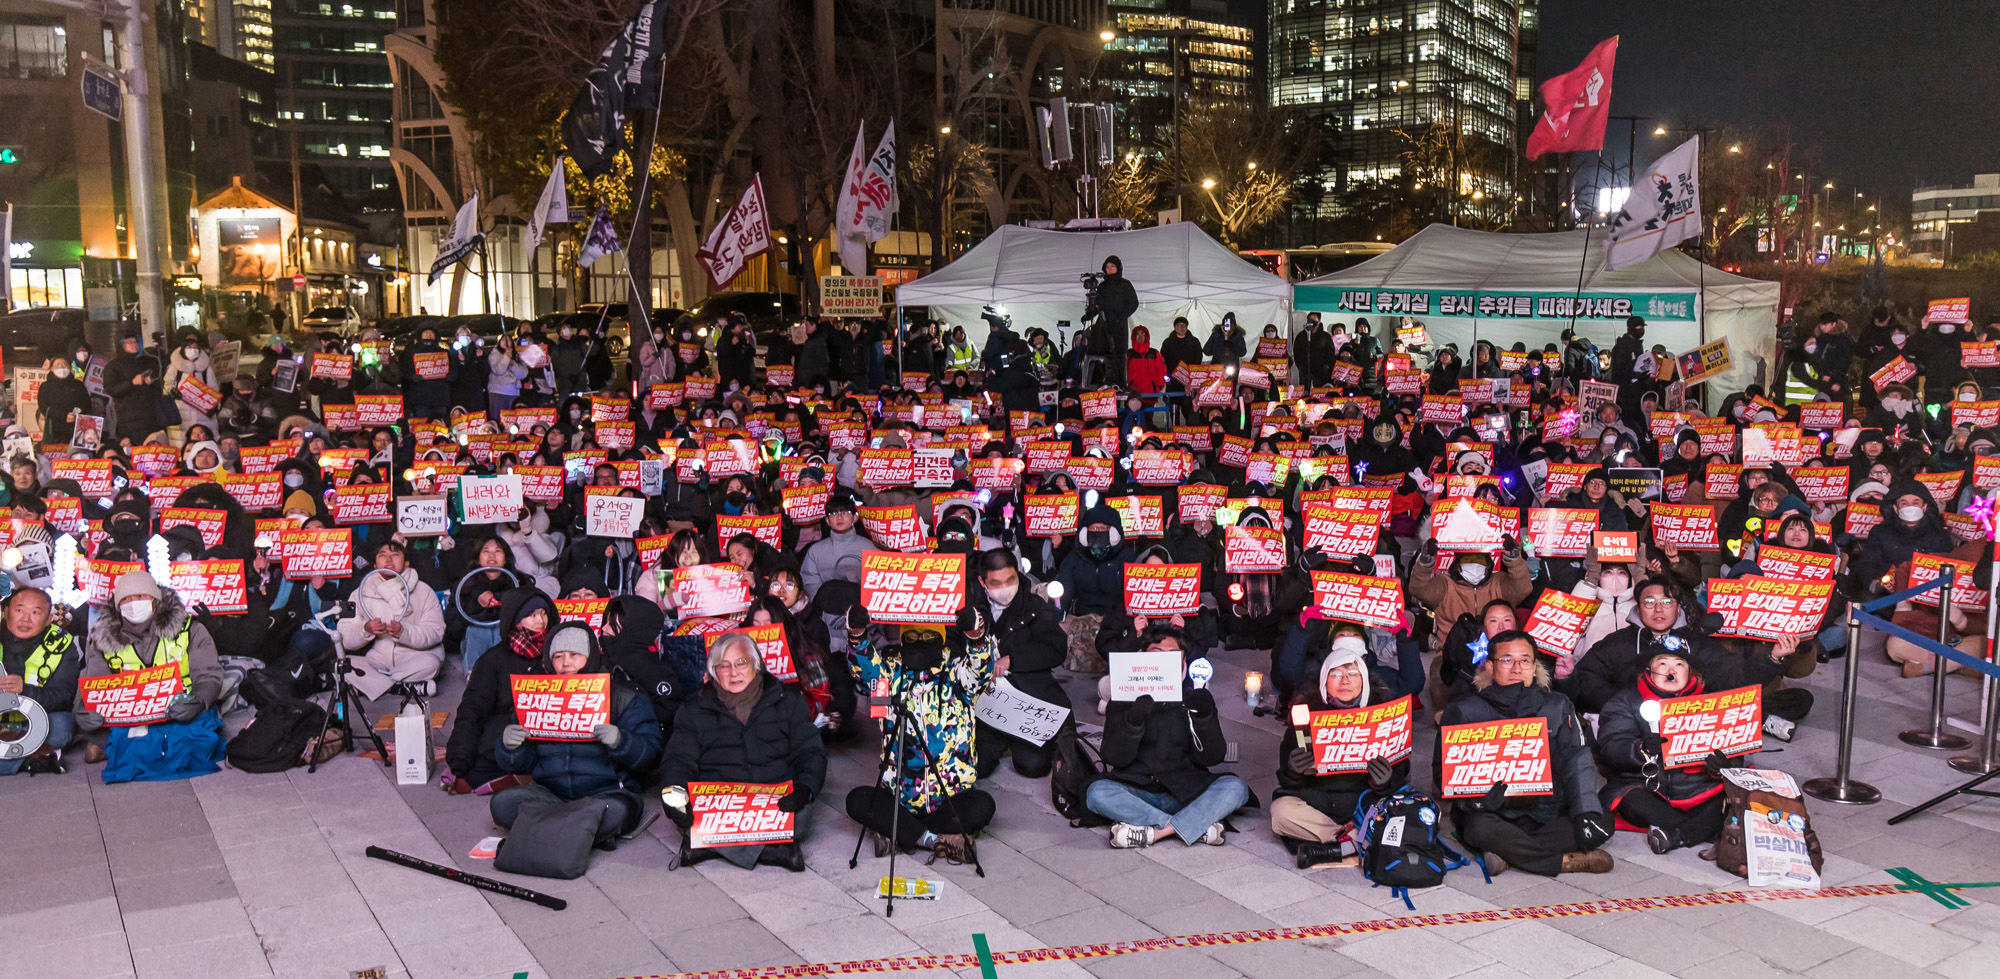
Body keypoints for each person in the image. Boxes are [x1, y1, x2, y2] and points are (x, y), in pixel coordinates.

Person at [1435, 631, 1611, 876]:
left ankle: (1508, 855)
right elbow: (1442, 772)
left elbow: (1575, 758)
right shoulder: (1463, 710)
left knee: (1601, 819)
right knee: (1479, 828)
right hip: (1493, 812)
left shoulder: (1557, 704)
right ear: (1490, 666)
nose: (1517, 668)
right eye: (1507, 660)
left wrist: (1585, 811)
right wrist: (1476, 800)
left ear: (1535, 666)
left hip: (1546, 808)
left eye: (1525, 660)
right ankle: (1563, 861)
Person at [659, 631, 827, 870]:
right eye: (724, 665)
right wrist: (676, 797)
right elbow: (678, 760)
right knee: (686, 819)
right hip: (718, 804)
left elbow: (810, 752)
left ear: (756, 666)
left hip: (771, 800)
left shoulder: (787, 701)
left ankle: (707, 845)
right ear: (714, 671)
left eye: (741, 662)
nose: (733, 672)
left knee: (801, 818)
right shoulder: (694, 708)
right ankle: (773, 852)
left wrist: (804, 788)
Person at [842, 604, 995, 864]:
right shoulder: (889, 673)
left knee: (983, 805)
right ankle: (935, 839)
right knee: (857, 800)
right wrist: (857, 635)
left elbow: (980, 671)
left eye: (929, 636)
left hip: (950, 796)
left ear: (941, 639)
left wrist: (976, 636)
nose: (920, 642)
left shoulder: (957, 675)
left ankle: (901, 833)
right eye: (912, 637)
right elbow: (865, 670)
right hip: (899, 796)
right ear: (902, 641)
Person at [491, 623, 662, 847]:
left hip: (606, 793)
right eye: (558, 656)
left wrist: (621, 741)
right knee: (502, 804)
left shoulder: (623, 696)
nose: (566, 663)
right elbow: (526, 764)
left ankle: (547, 830)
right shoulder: (536, 697)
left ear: (590, 656)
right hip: (550, 794)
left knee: (617, 811)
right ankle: (582, 832)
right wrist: (511, 748)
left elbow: (652, 754)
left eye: (574, 654)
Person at [1089, 625, 1251, 847]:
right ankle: (1194, 827)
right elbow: (1113, 756)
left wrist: (1204, 718)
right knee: (1097, 793)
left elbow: (1213, 757)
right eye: (1157, 655)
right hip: (1138, 790)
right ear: (1142, 657)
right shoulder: (1123, 698)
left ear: (1183, 663)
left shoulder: (1192, 699)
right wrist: (1133, 720)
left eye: (1172, 657)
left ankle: (1157, 833)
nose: (1164, 662)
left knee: (1236, 788)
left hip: (1186, 791)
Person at [78, 571, 228, 782]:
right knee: (127, 741)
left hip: (179, 708)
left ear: (155, 599)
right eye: (126, 599)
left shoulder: (190, 630)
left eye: (140, 596)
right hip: (130, 715)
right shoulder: (101, 639)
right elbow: (94, 684)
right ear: (117, 605)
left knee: (190, 740)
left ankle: (116, 748)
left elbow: (208, 674)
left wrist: (198, 700)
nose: (133, 603)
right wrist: (85, 711)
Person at [1270, 635, 1406, 868]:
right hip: (1320, 805)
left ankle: (1333, 849)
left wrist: (1385, 782)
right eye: (1336, 674)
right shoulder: (1305, 714)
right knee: (1280, 812)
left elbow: (1401, 772)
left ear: (1363, 680)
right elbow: (1286, 775)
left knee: (1408, 815)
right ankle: (1355, 845)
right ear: (1325, 680)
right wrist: (1292, 771)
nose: (1345, 680)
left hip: (1364, 805)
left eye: (1353, 673)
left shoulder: (1384, 714)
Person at [1594, 648, 1732, 854]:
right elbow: (1611, 746)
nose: (1671, 671)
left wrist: (1720, 767)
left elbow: (1735, 750)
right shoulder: (1625, 701)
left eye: (1679, 664)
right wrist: (1641, 750)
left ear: (1691, 673)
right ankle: (1700, 830)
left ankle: (1677, 835)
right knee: (1631, 801)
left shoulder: (1712, 704)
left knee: (1729, 800)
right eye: (1663, 663)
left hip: (1699, 790)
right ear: (1648, 670)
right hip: (1649, 788)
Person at [971, 548, 1069, 778]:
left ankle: (1019, 742)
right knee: (977, 766)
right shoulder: (972, 608)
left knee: (1033, 767)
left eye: (1010, 580)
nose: (1005, 588)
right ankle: (998, 741)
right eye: (996, 583)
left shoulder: (1034, 605)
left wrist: (1013, 659)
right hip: (985, 699)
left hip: (1027, 697)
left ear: (1018, 574)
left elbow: (1056, 649)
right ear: (982, 582)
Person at [447, 588, 556, 793]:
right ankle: (523, 776)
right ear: (515, 619)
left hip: (550, 732)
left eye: (543, 613)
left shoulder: (558, 655)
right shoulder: (492, 661)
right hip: (508, 736)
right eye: (532, 615)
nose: (540, 620)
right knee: (483, 758)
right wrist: (459, 760)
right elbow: (472, 709)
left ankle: (525, 777)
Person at [335, 541, 447, 700]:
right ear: (375, 565)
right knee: (341, 665)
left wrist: (403, 632)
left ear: (406, 563)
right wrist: (365, 630)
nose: (389, 559)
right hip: (378, 658)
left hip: (415, 656)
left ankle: (375, 685)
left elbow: (435, 632)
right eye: (383, 555)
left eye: (395, 555)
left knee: (431, 663)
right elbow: (344, 637)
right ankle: (401, 687)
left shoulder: (423, 590)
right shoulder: (360, 592)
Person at [0, 588, 78, 775]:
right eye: (19, 610)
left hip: (38, 721)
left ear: (49, 618)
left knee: (62, 728)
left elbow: (64, 696)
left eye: (35, 612)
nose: (25, 619)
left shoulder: (62, 644)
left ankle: (16, 752)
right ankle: (33, 759)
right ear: (6, 612)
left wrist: (25, 690)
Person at [103, 334, 160, 443]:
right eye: (129, 342)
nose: (134, 344)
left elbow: (161, 382)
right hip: (128, 419)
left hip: (151, 417)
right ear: (120, 345)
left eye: (135, 341)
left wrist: (152, 381)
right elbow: (110, 388)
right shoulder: (113, 366)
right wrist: (132, 383)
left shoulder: (148, 361)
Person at [1092, 256, 1139, 385]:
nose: (1110, 269)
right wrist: (1090, 314)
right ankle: (1107, 382)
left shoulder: (1125, 284)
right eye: (1107, 267)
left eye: (1112, 266)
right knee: (1106, 355)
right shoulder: (1102, 286)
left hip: (1119, 326)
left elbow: (1133, 303)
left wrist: (1121, 317)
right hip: (1104, 325)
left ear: (1118, 267)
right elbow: (1098, 305)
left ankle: (1120, 384)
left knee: (1119, 354)